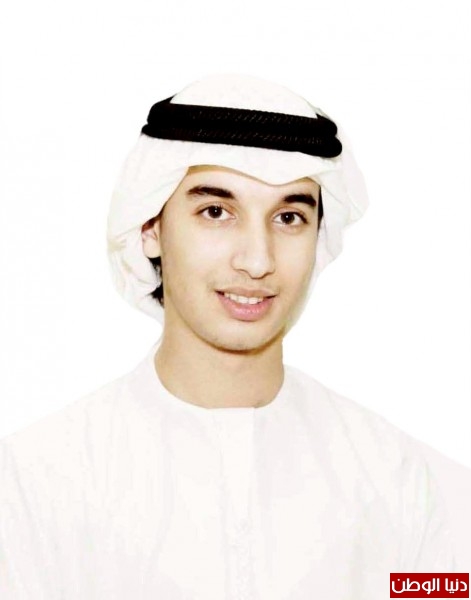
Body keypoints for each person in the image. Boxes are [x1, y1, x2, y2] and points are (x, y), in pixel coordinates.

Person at [0, 75, 454, 599]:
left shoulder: (410, 488)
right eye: (216, 212)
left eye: (289, 217)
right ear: (151, 229)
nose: (257, 261)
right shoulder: (34, 487)